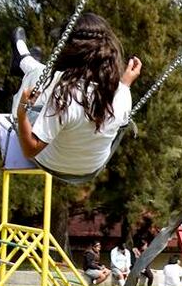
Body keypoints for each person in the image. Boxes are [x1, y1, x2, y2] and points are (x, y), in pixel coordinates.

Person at [9, 13, 142, 177]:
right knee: (47, 77)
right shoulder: (123, 94)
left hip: (52, 164)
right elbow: (109, 96)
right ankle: (25, 61)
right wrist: (126, 83)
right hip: (91, 170)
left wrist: (22, 112)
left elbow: (30, 150)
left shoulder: (64, 95)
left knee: (39, 77)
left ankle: (23, 60)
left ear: (69, 52)